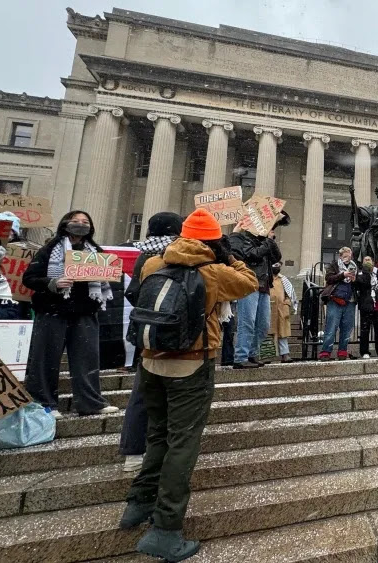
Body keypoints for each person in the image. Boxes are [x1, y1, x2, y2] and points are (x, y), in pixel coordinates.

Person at [119, 208, 257, 561]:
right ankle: (165, 527)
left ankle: (138, 502)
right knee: (183, 443)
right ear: (212, 240)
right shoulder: (213, 273)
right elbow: (250, 282)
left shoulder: (153, 264)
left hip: (150, 361)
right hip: (191, 364)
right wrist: (226, 254)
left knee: (158, 434)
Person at [22, 210, 119, 419]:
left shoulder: (96, 251)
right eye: (76, 221)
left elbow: (106, 279)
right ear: (65, 224)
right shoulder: (49, 249)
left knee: (87, 360)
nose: (81, 224)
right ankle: (44, 403)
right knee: (45, 359)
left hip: (84, 312)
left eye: (85, 221)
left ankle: (90, 402)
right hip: (52, 310)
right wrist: (53, 283)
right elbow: (29, 278)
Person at [120, 211, 183, 474]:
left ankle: (135, 450)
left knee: (144, 392)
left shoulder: (143, 256)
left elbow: (133, 292)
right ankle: (162, 449)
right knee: (174, 394)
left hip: (149, 334)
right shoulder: (177, 256)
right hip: (175, 335)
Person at [229, 223, 282, 368]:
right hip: (250, 285)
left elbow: (277, 257)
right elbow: (253, 255)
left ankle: (252, 354)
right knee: (247, 322)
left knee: (263, 324)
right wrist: (267, 242)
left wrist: (270, 241)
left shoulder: (265, 242)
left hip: (264, 286)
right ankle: (240, 357)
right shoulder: (247, 240)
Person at [319, 246, 358, 360]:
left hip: (350, 300)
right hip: (335, 299)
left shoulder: (354, 267)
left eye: (349, 256)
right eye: (345, 256)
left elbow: (359, 283)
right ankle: (325, 352)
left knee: (347, 328)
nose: (347, 258)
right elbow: (329, 278)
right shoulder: (334, 265)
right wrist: (343, 275)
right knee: (331, 327)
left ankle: (342, 351)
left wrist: (355, 280)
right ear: (340, 256)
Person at [355, 256, 378, 359]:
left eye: (369, 260)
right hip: (366, 304)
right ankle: (364, 351)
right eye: (365, 260)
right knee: (365, 330)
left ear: (373, 262)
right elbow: (363, 284)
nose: (367, 261)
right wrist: (367, 272)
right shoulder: (361, 274)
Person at [270, 262, 298, 363]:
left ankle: (285, 354)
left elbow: (289, 294)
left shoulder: (283, 279)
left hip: (281, 309)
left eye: (278, 265)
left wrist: (287, 304)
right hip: (268, 308)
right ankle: (266, 355)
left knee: (283, 333)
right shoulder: (266, 278)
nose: (277, 267)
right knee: (268, 332)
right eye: (274, 265)